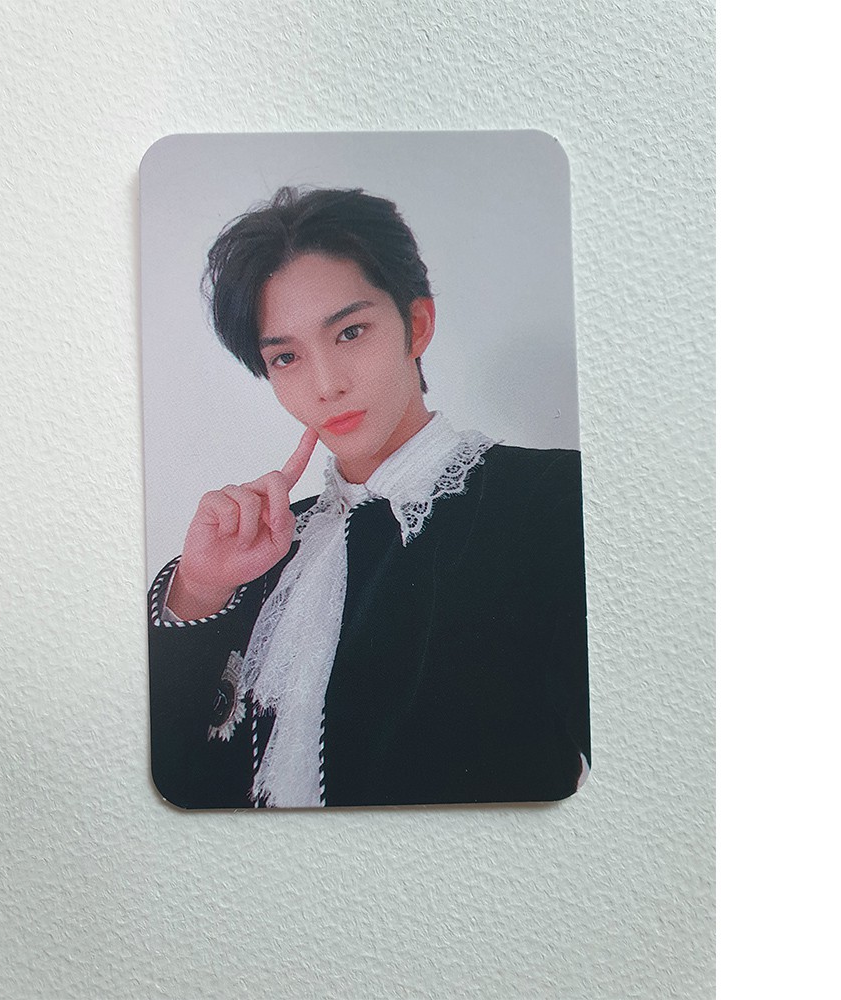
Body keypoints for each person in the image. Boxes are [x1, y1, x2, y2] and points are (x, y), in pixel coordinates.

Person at [148, 186, 590, 809]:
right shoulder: (262, 546)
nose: (326, 384)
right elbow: (169, 795)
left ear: (417, 326)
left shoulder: (554, 502)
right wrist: (198, 591)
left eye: (350, 332)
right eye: (286, 357)